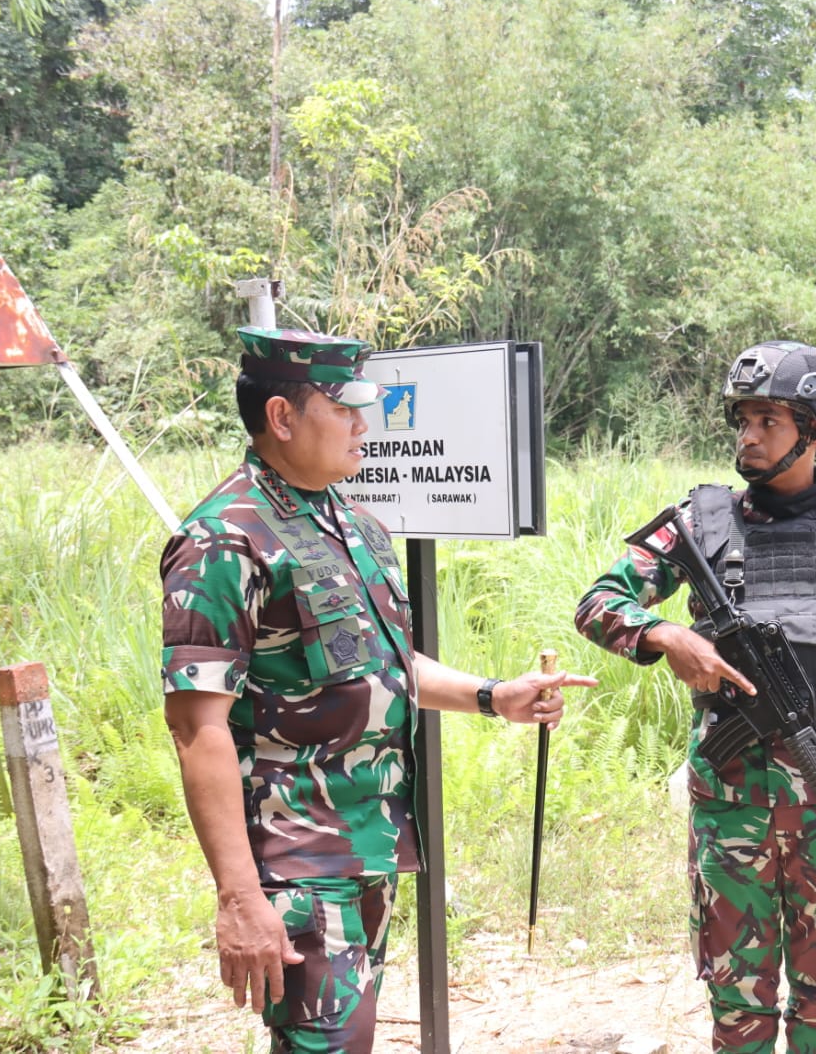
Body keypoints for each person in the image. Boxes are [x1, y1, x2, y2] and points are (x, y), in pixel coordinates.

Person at [160, 326, 596, 1054]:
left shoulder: (351, 523)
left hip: (372, 841)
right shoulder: (223, 541)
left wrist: (494, 696)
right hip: (296, 856)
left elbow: (386, 665)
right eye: (346, 409)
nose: (366, 424)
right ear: (282, 417)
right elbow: (196, 727)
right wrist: (239, 898)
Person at [574, 342, 816, 1053]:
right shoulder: (698, 525)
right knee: (738, 1008)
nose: (747, 436)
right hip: (731, 809)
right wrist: (667, 634)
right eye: (741, 419)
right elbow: (598, 603)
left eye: (768, 420)